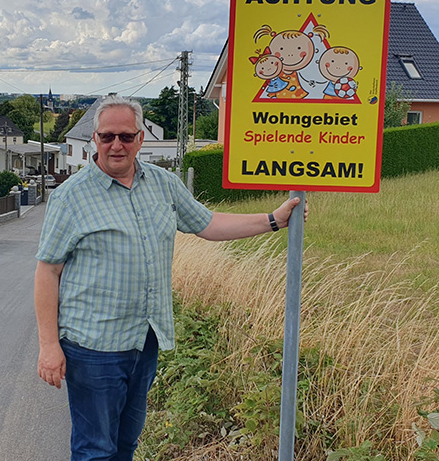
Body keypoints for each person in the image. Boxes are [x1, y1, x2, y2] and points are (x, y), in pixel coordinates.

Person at [34, 94, 308, 460]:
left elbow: (208, 224)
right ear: (95, 139)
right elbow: (47, 271)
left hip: (144, 340)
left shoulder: (164, 184)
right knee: (95, 449)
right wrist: (49, 346)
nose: (116, 145)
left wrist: (272, 220)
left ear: (140, 139)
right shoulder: (70, 197)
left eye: (126, 136)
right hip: (93, 348)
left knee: (127, 443)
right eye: (107, 136)